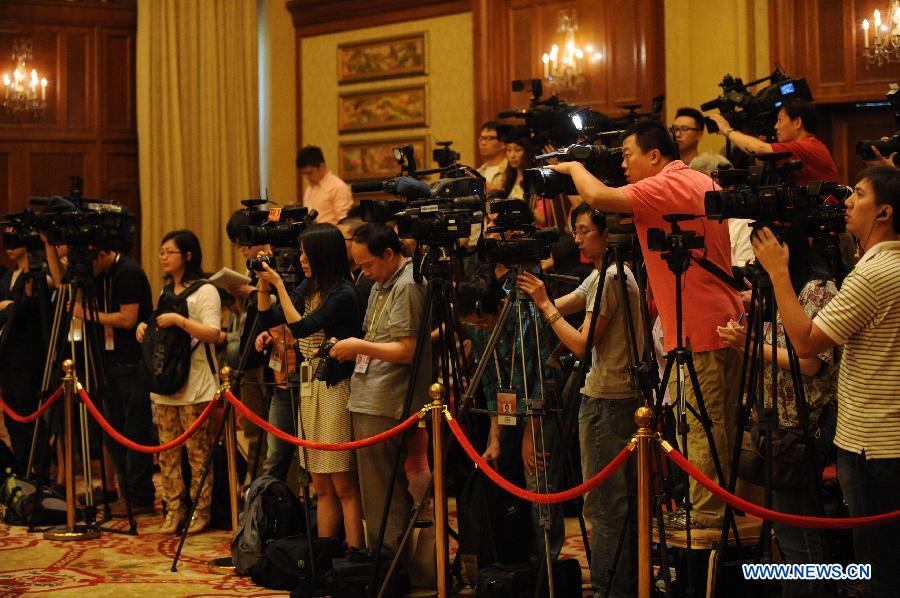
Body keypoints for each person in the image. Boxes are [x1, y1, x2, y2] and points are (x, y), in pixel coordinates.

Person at [547, 120, 744, 530]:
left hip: (697, 326)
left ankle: (706, 514)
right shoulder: (700, 181)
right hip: (723, 319)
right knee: (718, 424)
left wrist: (571, 167)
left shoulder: (665, 184)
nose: (622, 164)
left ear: (655, 156)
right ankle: (718, 505)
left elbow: (599, 196)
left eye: (626, 155)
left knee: (700, 427)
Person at [751, 166, 900, 597]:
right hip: (883, 437)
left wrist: (778, 272)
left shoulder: (870, 275)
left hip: (872, 444)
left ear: (885, 211)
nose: (847, 202)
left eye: (858, 194)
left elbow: (806, 345)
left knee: (877, 569)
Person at [518, 203, 644, 596]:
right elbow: (565, 305)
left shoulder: (613, 278)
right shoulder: (601, 275)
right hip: (607, 399)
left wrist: (541, 302)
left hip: (610, 401)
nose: (577, 238)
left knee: (604, 507)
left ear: (607, 235)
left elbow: (580, 343)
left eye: (585, 230)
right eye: (575, 231)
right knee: (606, 506)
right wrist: (536, 291)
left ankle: (610, 590)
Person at [716, 225, 839, 598]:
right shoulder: (773, 292)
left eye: (765, 252)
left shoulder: (818, 289)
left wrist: (751, 347)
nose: (757, 262)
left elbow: (811, 363)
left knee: (800, 540)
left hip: (806, 425)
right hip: (777, 423)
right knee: (788, 537)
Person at [255, 223, 364, 548]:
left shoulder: (343, 293)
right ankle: (325, 554)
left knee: (343, 483)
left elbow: (302, 328)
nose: (301, 258)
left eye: (305, 252)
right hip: (310, 387)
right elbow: (268, 319)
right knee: (321, 484)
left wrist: (279, 285)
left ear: (322, 254)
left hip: (334, 389)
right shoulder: (310, 285)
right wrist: (265, 285)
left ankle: (354, 556)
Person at [328, 223, 431, 557]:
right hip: (370, 392)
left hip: (388, 398)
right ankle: (384, 558)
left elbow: (408, 350)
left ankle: (388, 563)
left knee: (382, 488)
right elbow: (376, 338)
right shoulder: (381, 282)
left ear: (389, 253)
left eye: (368, 265)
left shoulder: (408, 284)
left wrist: (359, 345)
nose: (364, 273)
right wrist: (351, 345)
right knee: (375, 487)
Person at [456, 271, 564, 565]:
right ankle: (514, 561)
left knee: (536, 480)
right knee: (504, 475)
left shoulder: (526, 316)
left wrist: (531, 434)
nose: (479, 329)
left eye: (482, 322)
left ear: (499, 305)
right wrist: (495, 437)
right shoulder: (478, 327)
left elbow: (542, 379)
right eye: (473, 325)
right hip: (507, 408)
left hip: (542, 409)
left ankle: (546, 565)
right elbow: (491, 381)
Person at [45, 239, 156, 517]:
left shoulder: (128, 272)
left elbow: (128, 319)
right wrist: (49, 244)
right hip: (106, 363)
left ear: (103, 252)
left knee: (134, 432)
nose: (86, 269)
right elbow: (62, 282)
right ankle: (126, 494)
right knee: (112, 432)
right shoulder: (99, 272)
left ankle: (140, 497)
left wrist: (86, 314)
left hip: (131, 363)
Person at [136, 230, 221, 535]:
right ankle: (174, 509)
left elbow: (215, 334)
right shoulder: (164, 292)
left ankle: (202, 511)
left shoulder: (205, 291)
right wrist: (146, 328)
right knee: (167, 455)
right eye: (161, 252)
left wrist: (180, 322)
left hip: (197, 384)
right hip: (165, 383)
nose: (163, 258)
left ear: (188, 255)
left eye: (169, 252)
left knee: (198, 455)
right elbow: (163, 331)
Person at [224, 210, 271, 486]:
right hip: (248, 354)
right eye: (236, 244)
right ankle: (253, 484)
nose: (241, 249)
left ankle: (266, 485)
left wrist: (253, 293)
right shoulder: (251, 267)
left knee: (269, 427)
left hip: (268, 356)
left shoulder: (273, 263)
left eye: (245, 242)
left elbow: (286, 304)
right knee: (252, 426)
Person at [706, 99, 839, 187]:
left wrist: (727, 130)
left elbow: (759, 149)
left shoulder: (807, 147)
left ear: (797, 123)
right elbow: (761, 161)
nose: (776, 127)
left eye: (780, 120)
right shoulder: (804, 146)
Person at [0, 239, 46, 477]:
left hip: (28, 356)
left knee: (29, 416)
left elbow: (25, 308)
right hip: (6, 354)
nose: (8, 245)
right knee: (12, 421)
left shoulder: (35, 275)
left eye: (15, 239)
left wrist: (8, 308)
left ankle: (37, 470)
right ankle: (20, 469)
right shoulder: (7, 275)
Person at [297, 145, 354, 225]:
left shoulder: (338, 187)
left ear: (321, 166)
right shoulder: (309, 189)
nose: (307, 177)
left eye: (310, 173)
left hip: (331, 236)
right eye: (304, 174)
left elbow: (345, 222)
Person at [336, 214, 375, 306]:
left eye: (339, 239)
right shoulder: (340, 273)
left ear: (359, 240)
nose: (333, 244)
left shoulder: (370, 278)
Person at [476, 121, 508, 193]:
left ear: (503, 143)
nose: (483, 143)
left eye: (490, 138)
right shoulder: (478, 172)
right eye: (482, 138)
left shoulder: (510, 171)